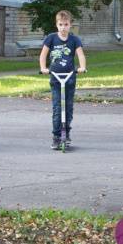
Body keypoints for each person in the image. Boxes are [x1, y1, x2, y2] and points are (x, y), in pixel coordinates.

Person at [38, 10, 86, 150]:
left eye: (66, 24)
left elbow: (80, 54)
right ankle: (56, 136)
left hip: (70, 77)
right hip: (56, 78)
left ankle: (67, 133)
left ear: (70, 25)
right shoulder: (51, 38)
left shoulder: (74, 40)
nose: (63, 27)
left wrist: (82, 67)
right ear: (56, 25)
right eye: (60, 24)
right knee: (58, 108)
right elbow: (43, 55)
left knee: (68, 108)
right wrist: (43, 68)